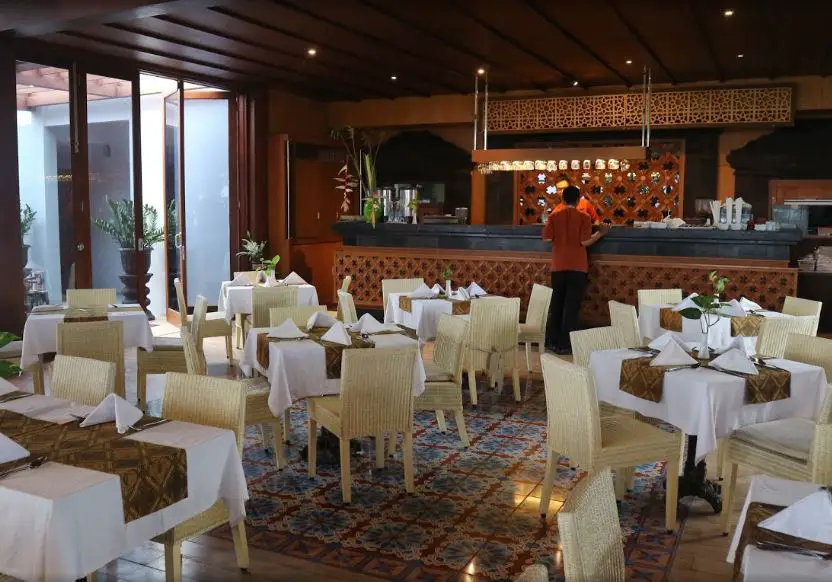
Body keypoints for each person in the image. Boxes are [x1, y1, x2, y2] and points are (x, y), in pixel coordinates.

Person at [542, 185, 609, 354]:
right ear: (579, 200)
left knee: (557, 304)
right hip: (578, 267)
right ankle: (565, 345)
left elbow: (547, 239)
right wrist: (600, 234)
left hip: (558, 265)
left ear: (562, 199)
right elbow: (585, 242)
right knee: (571, 307)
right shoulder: (584, 216)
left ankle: (551, 341)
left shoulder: (554, 216)